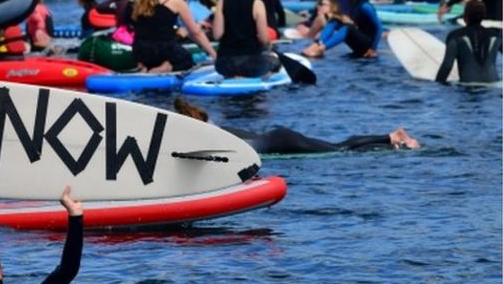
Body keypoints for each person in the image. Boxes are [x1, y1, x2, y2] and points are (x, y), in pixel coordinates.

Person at [174, 97, 420, 154]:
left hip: (282, 141)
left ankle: (390, 138)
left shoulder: (212, 136)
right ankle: (389, 140)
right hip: (279, 136)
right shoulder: (217, 129)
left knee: (339, 150)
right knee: (337, 146)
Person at [131, 0, 216, 73]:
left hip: (139, 49)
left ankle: (145, 67)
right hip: (160, 50)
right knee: (186, 60)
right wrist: (214, 54)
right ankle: (164, 68)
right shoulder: (176, 1)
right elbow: (196, 32)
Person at [212, 0, 279, 78]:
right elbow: (264, 39)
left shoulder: (222, 1)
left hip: (225, 64)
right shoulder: (257, 3)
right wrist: (268, 45)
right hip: (251, 64)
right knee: (275, 62)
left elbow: (217, 35)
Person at [303, 0, 383, 59]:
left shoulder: (366, 7)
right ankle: (319, 43)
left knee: (348, 28)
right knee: (335, 20)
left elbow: (379, 27)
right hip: (359, 39)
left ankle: (322, 48)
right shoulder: (354, 4)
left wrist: (373, 48)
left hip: (367, 44)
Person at [436, 0, 502, 84]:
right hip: (494, 85)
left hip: (468, 86)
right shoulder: (496, 36)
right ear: (483, 17)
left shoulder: (455, 37)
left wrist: (437, 84)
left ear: (465, 18)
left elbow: (447, 66)